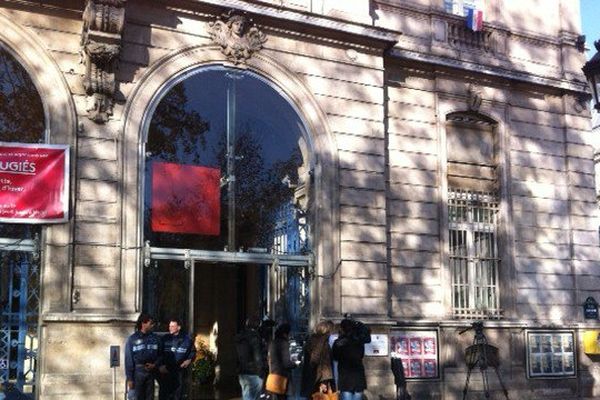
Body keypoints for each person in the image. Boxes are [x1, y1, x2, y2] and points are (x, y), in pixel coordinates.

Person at [332, 318, 371, 400]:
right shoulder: (359, 341)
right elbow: (361, 354)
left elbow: (335, 357)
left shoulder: (338, 343)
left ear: (342, 329)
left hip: (345, 377)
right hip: (358, 376)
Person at [125, 313, 162, 400]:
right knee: (137, 397)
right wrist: (130, 378)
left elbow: (161, 355)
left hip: (151, 373)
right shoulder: (132, 339)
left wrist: (155, 365)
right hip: (138, 373)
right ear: (143, 323)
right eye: (151, 323)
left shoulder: (156, 339)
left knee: (150, 397)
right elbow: (128, 360)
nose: (153, 325)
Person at [158, 318, 196, 400]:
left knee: (178, 395)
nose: (170, 328)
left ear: (178, 327)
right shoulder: (165, 338)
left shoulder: (186, 339)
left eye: (172, 326)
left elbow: (192, 352)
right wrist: (160, 365)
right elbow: (159, 353)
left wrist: (189, 360)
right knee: (165, 395)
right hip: (165, 372)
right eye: (169, 326)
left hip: (179, 371)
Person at [299, 320, 335, 398]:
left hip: (310, 377)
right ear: (327, 331)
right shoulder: (323, 343)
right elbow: (324, 363)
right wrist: (325, 381)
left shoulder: (311, 340)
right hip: (319, 379)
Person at [235, 316, 267, 400]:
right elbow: (257, 356)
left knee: (246, 396)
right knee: (254, 397)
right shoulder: (254, 337)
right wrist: (260, 371)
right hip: (254, 372)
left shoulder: (240, 336)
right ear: (257, 325)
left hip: (242, 371)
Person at [268, 323, 296, 400]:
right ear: (285, 334)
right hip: (282, 376)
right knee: (282, 397)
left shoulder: (273, 342)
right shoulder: (284, 344)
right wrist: (294, 364)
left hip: (274, 374)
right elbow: (286, 363)